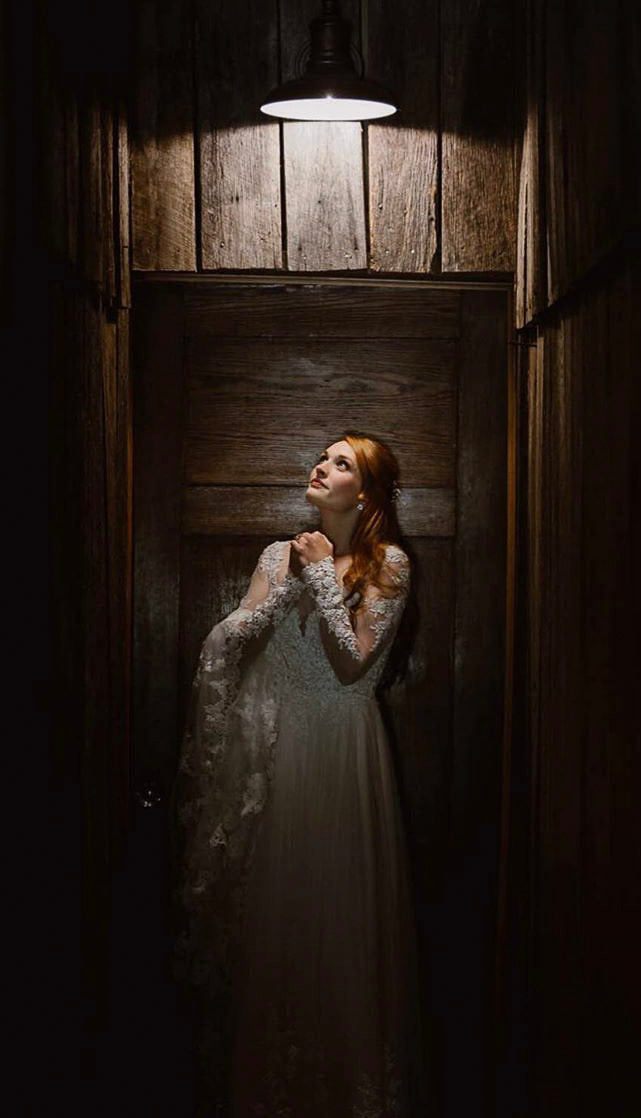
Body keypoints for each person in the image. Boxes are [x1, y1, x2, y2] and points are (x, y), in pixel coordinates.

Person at [172, 432, 425, 1117]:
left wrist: (318, 575)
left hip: (344, 749)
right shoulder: (275, 554)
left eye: (342, 463)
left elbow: (355, 665)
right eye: (323, 456)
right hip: (282, 753)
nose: (322, 466)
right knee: (280, 925)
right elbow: (231, 639)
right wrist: (264, 606)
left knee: (341, 921)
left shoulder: (390, 563)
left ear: (365, 493)